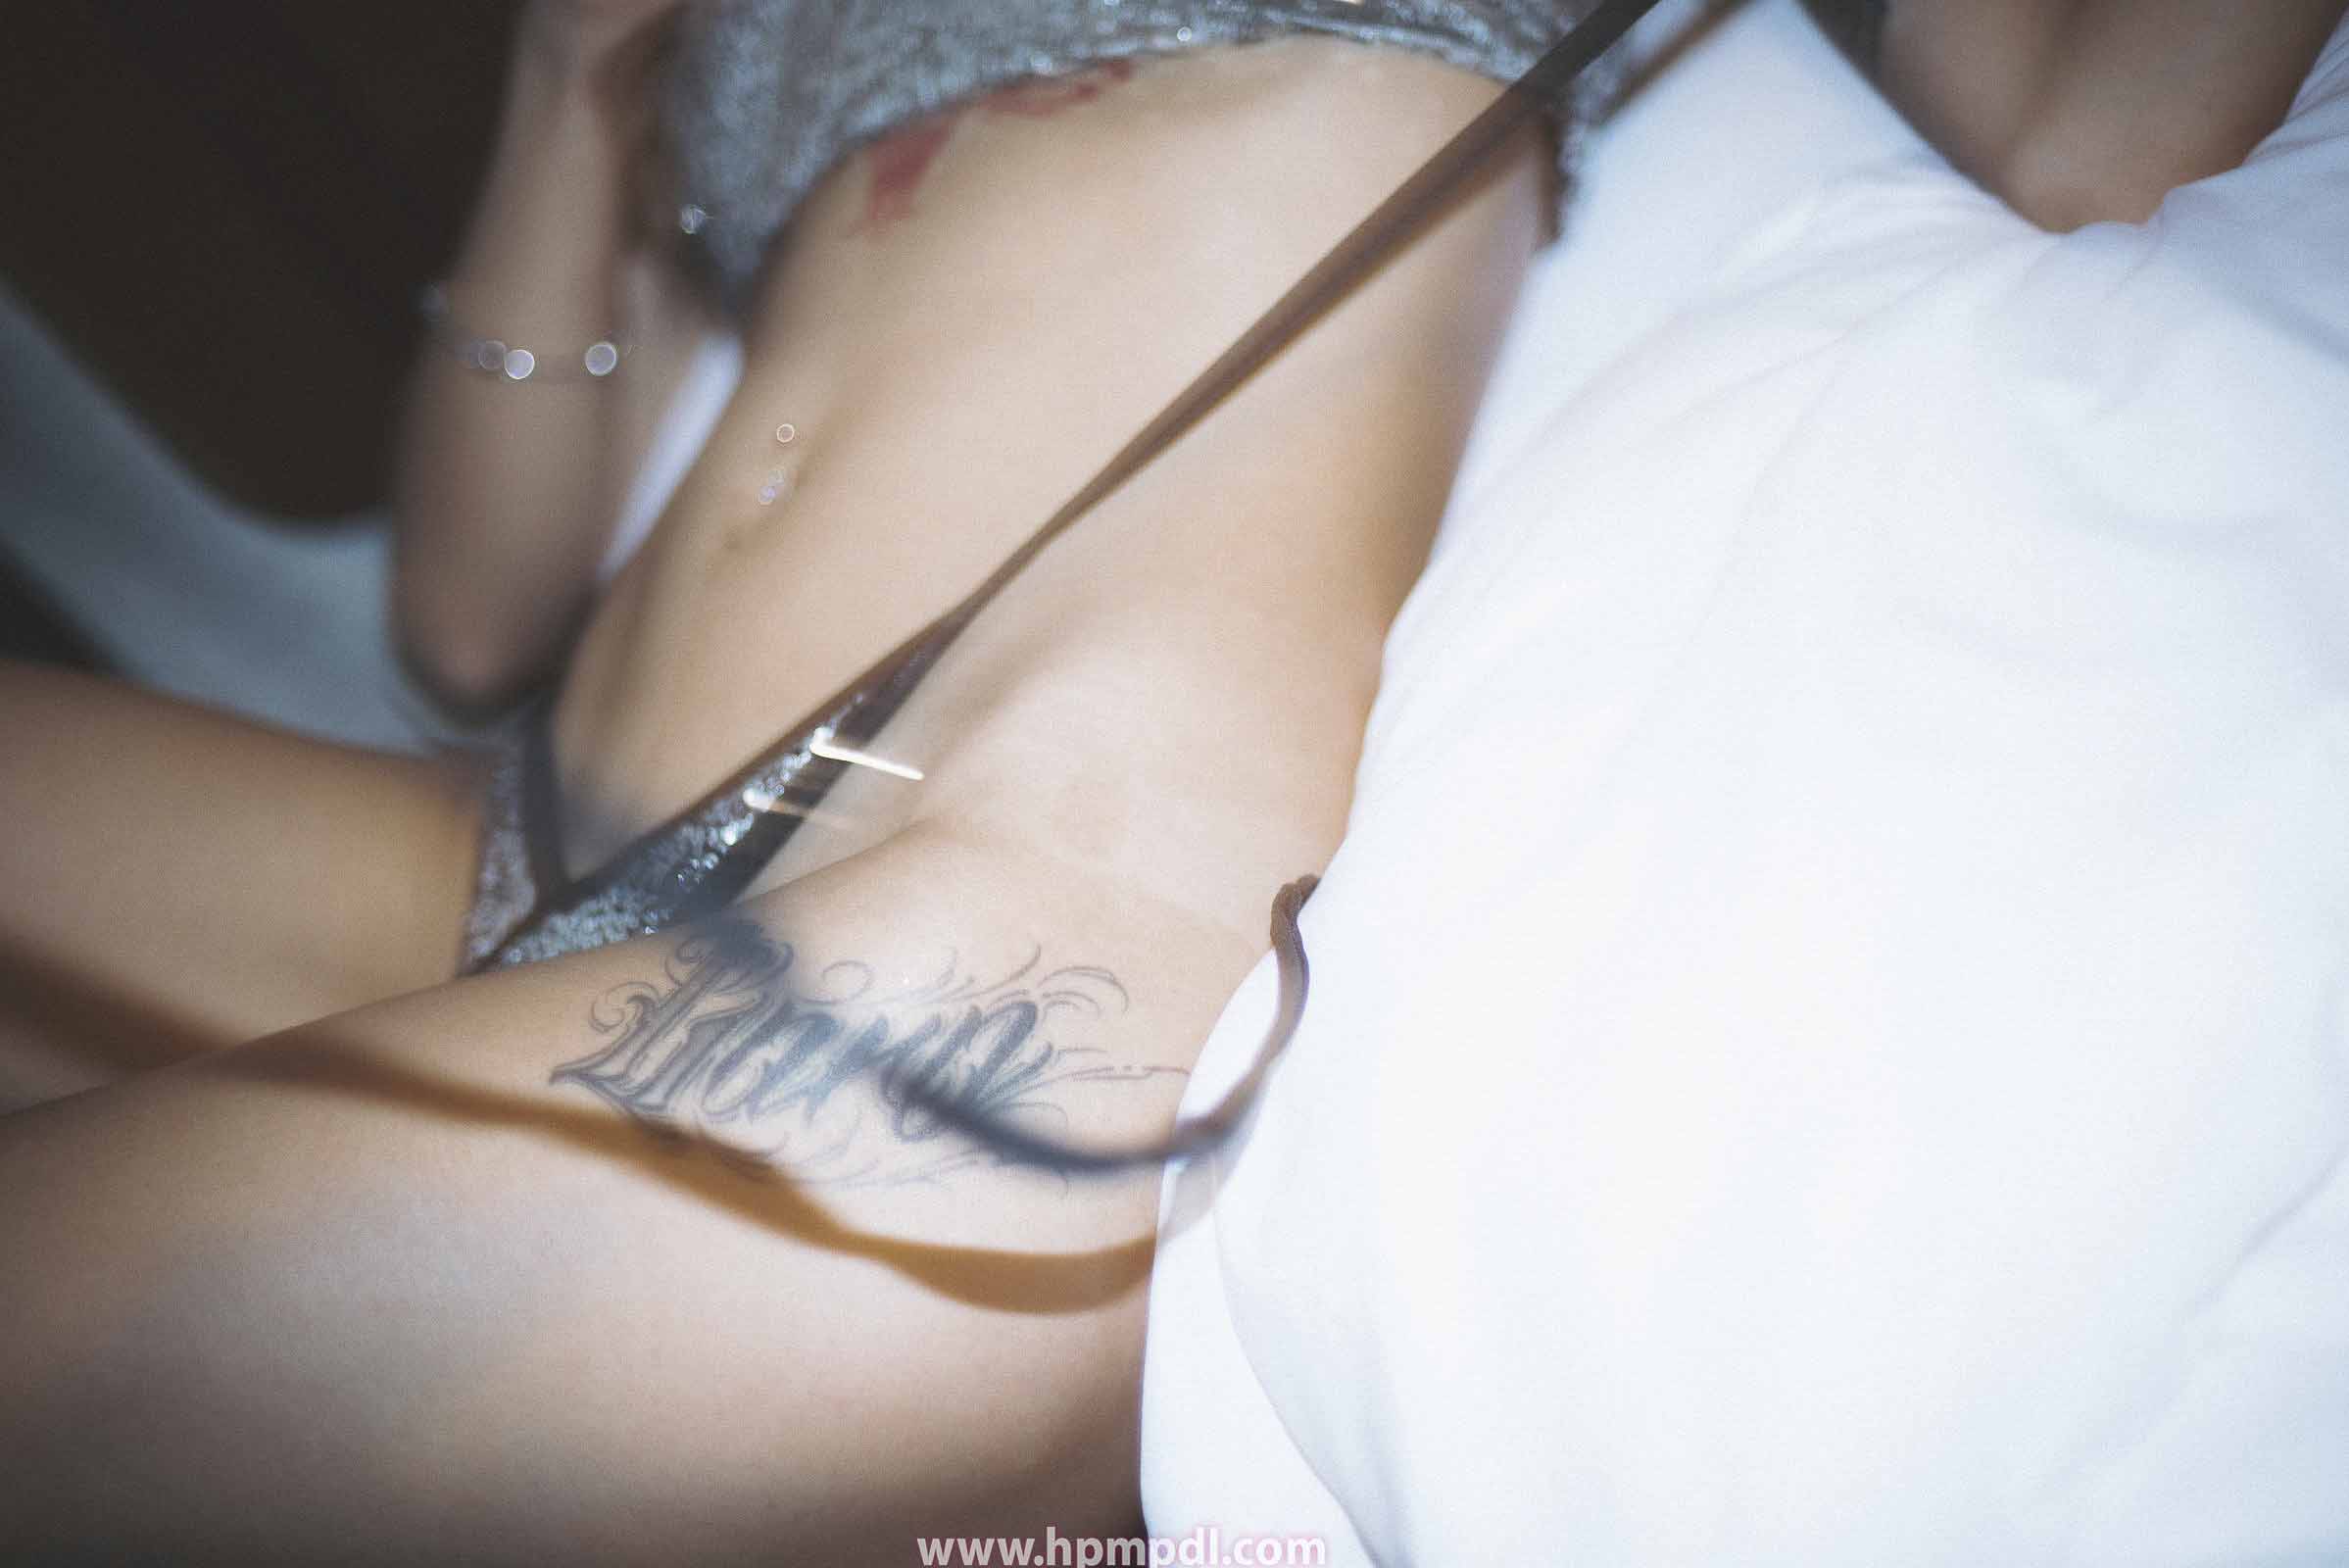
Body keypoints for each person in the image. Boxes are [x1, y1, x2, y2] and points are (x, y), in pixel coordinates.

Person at [0, 0, 2340, 1558]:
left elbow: (2089, 124)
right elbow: (461, 610)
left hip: (975, 915)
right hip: (501, 833)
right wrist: (571, 78)